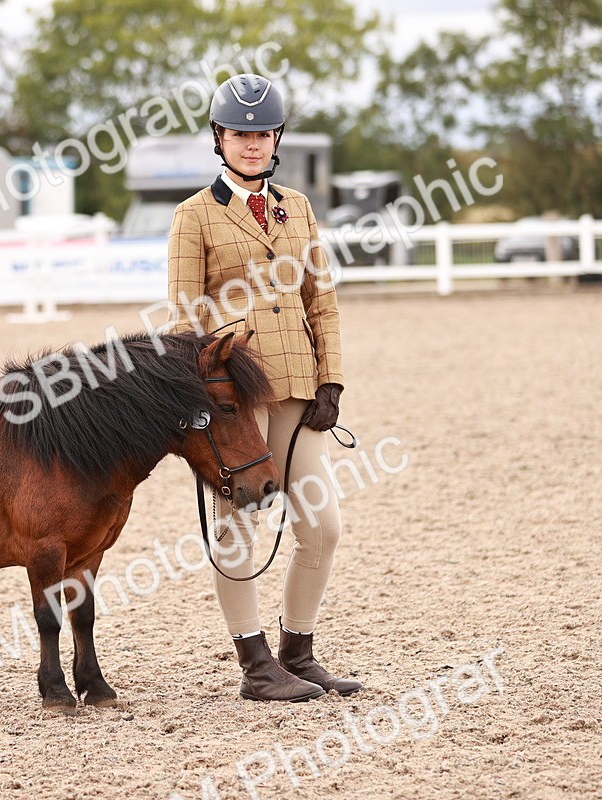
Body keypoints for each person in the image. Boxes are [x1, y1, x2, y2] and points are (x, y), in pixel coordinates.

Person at [166, 73, 362, 702]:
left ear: (276, 138)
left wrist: (330, 378)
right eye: (239, 133)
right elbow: (184, 317)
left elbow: (320, 300)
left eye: (262, 133)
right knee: (237, 530)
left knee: (323, 527)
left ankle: (298, 653)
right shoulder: (193, 216)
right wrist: (207, 396)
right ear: (219, 138)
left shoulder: (298, 208)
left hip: (300, 389)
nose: (251, 144)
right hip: (238, 399)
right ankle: (255, 665)